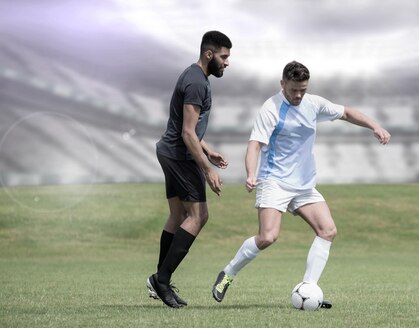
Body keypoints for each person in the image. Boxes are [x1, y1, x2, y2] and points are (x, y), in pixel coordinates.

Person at [211, 61, 391, 307]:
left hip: (304, 185)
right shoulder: (271, 108)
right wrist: (251, 174)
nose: (298, 95)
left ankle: (308, 288)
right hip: (274, 180)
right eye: (294, 90)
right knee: (268, 236)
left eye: (303, 90)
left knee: (328, 231)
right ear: (282, 84)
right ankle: (228, 274)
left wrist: (375, 126)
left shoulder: (313, 104)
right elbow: (254, 145)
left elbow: (347, 112)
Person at [146, 31, 232, 308]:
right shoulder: (197, 83)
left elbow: (190, 129)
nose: (227, 62)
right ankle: (162, 279)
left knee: (178, 214)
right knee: (198, 215)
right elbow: (186, 133)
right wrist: (207, 170)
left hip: (169, 152)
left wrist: (207, 149)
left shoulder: (193, 76)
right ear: (209, 54)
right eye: (224, 56)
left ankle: (159, 279)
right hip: (180, 155)